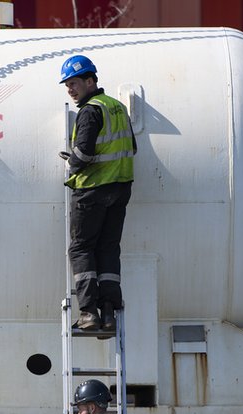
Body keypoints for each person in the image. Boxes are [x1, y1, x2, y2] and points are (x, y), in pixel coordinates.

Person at [59, 55, 137, 333]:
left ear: (90, 81)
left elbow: (84, 152)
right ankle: (108, 313)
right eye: (67, 84)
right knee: (107, 249)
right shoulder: (116, 107)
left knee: (81, 248)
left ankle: (88, 313)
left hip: (92, 190)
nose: (70, 89)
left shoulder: (90, 110)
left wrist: (71, 162)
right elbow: (131, 148)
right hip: (120, 188)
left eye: (75, 83)